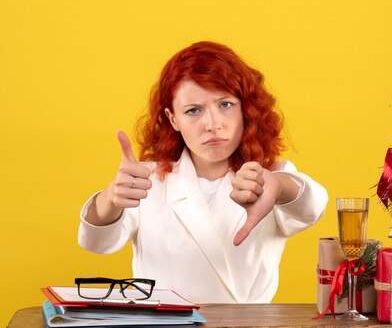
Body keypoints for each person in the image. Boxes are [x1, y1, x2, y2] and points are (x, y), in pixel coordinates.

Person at [78, 41, 328, 304]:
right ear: (173, 118)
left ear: (245, 108)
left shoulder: (272, 176)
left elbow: (313, 205)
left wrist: (278, 186)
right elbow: (96, 242)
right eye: (193, 110)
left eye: (225, 105)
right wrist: (110, 199)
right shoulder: (146, 180)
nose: (213, 124)